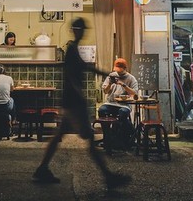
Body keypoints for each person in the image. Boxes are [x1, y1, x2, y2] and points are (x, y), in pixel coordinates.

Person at [32, 17, 131, 190]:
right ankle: (108, 177)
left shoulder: (73, 49)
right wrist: (80, 95)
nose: (84, 32)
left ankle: (42, 168)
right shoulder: (71, 49)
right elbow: (72, 73)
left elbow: (86, 67)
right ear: (76, 30)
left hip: (71, 101)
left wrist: (106, 72)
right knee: (89, 138)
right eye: (82, 29)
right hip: (74, 102)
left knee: (59, 136)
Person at [98, 58, 139, 149]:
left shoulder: (131, 78)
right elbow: (105, 91)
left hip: (124, 105)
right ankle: (107, 136)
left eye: (120, 71)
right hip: (110, 103)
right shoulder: (111, 76)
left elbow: (135, 94)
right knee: (101, 110)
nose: (118, 73)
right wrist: (109, 84)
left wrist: (123, 85)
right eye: (117, 70)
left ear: (125, 68)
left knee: (123, 113)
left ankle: (116, 138)